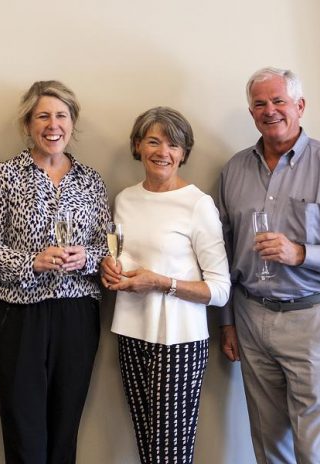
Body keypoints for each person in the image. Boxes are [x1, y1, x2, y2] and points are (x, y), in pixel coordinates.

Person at [218, 67, 320, 463]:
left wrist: (302, 253)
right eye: (260, 103)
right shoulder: (233, 170)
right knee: (268, 443)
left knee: (311, 448)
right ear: (251, 112)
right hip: (250, 317)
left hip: (312, 318)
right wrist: (226, 322)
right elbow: (222, 252)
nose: (270, 110)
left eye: (279, 101)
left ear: (300, 106)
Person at [0, 80, 110, 463]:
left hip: (77, 314)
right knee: (24, 431)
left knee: (65, 429)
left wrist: (86, 258)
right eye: (43, 116)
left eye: (61, 116)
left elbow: (109, 249)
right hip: (16, 316)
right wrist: (32, 261)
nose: (53, 125)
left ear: (72, 122)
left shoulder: (90, 180)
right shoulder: (5, 176)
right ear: (28, 124)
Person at [100, 107, 230, 464]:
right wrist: (109, 271)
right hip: (131, 334)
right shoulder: (125, 199)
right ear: (138, 146)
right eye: (154, 141)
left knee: (169, 453)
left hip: (179, 341)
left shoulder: (197, 204)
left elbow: (220, 289)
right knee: (148, 446)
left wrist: (161, 283)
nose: (163, 152)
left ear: (184, 152)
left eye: (173, 144)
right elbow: (121, 257)